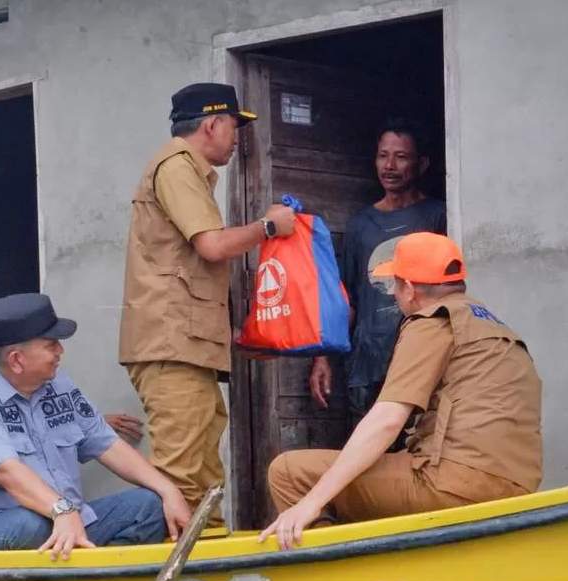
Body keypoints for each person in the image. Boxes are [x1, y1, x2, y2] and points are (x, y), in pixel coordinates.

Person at [261, 233, 542, 550]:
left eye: (394, 285)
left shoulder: (432, 321)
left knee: (289, 472)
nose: (394, 294)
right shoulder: (492, 325)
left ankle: (338, 580)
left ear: (409, 288)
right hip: (517, 486)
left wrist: (311, 502)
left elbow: (387, 419)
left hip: (455, 484)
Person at [119, 82, 295, 524]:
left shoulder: (188, 171)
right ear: (213, 123)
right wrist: (269, 227)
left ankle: (209, 575)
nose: (238, 139)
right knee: (181, 482)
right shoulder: (177, 166)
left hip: (189, 344)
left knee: (205, 477)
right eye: (235, 127)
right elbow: (213, 246)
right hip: (171, 344)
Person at [0, 293, 191, 559]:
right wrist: (61, 510)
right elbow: (6, 472)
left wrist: (168, 490)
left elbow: (106, 444)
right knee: (31, 525)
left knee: (149, 506)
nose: (61, 351)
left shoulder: (58, 384)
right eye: (51, 344)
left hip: (67, 521)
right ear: (16, 359)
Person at [310, 118, 447, 435]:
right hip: (367, 366)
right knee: (365, 457)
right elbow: (348, 301)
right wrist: (322, 357)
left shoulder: (438, 216)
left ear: (421, 163)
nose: (390, 165)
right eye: (383, 155)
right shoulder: (361, 224)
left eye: (401, 156)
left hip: (418, 361)